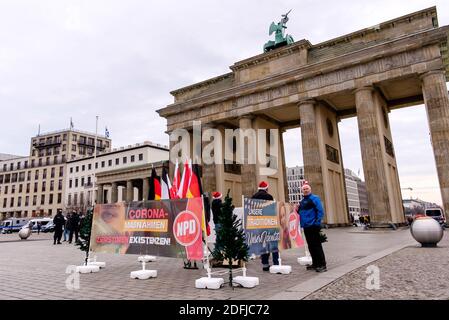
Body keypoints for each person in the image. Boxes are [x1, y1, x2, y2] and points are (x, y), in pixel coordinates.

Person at [299, 182, 327, 272]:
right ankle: (315, 263)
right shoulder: (302, 201)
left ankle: (322, 265)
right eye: (304, 189)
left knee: (317, 246)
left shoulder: (315, 198)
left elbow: (320, 211)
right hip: (306, 226)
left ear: (310, 189)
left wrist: (317, 222)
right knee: (311, 246)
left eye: (307, 188)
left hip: (313, 225)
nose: (305, 190)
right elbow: (300, 213)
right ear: (302, 191)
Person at [252, 181, 279, 271]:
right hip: (269, 223)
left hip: (259, 224)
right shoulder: (269, 197)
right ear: (266, 189)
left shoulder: (254, 197)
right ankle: (276, 263)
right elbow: (271, 210)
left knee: (263, 244)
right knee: (273, 243)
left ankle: (265, 264)